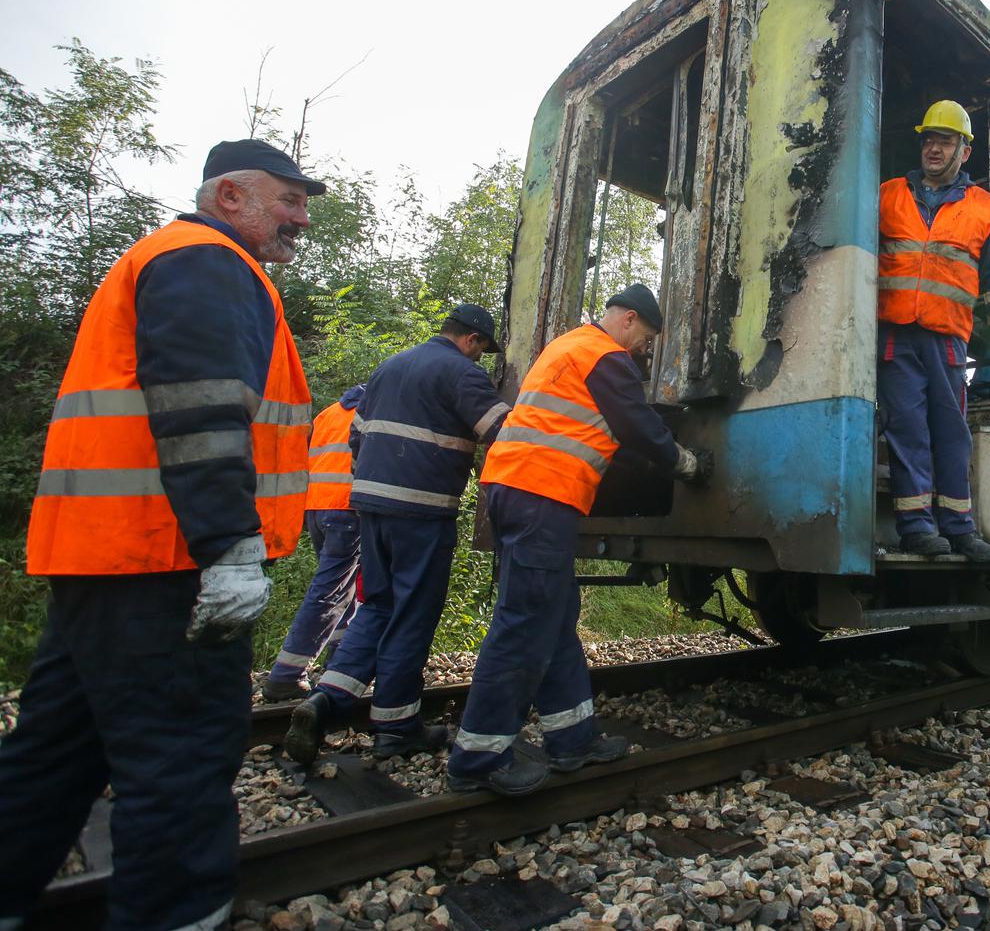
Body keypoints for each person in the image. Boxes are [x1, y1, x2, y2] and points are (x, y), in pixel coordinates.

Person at [0, 139, 321, 930]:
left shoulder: (170, 258)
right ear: (229, 198)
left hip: (106, 556)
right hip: (164, 562)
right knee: (180, 764)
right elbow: (204, 413)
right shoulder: (206, 263)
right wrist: (230, 549)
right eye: (287, 199)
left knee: (54, 756)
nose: (301, 219)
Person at [446, 284, 712, 796]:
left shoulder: (565, 348)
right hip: (541, 495)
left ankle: (572, 739)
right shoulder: (606, 357)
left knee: (554, 614)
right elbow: (637, 428)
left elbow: (602, 434)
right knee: (523, 626)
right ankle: (477, 760)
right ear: (629, 320)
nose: (640, 352)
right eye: (644, 340)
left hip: (515, 490)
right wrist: (685, 464)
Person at [285, 304, 510, 763]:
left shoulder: (390, 367)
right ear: (472, 340)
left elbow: (356, 437)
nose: (481, 359)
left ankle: (325, 701)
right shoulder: (461, 373)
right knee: (413, 613)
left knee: (378, 606)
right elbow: (504, 432)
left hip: (369, 508)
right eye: (482, 351)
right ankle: (396, 727)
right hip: (421, 514)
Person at [877, 100, 990, 559]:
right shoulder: (888, 194)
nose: (934, 149)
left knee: (951, 430)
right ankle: (917, 526)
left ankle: (959, 527)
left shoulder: (984, 207)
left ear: (964, 151)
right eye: (928, 140)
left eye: (945, 141)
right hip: (896, 331)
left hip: (949, 336)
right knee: (907, 428)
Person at [263, 384, 367, 700]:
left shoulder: (328, 413)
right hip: (346, 507)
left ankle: (337, 664)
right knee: (330, 592)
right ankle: (287, 673)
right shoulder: (370, 411)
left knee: (344, 592)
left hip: (316, 509)